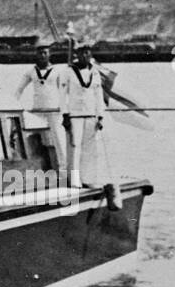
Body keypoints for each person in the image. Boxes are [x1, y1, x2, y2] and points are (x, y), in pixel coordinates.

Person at [14, 43, 67, 174]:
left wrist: (64, 108)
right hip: (38, 111)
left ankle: (64, 170)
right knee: (30, 137)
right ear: (36, 55)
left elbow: (63, 91)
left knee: (59, 140)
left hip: (54, 110)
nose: (43, 55)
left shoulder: (58, 71)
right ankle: (32, 168)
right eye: (40, 53)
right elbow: (19, 89)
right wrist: (13, 104)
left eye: (45, 53)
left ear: (49, 54)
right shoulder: (31, 72)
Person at [62, 44, 106, 188]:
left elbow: (98, 96)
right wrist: (65, 115)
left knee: (90, 148)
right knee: (75, 147)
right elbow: (63, 96)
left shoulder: (95, 73)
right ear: (77, 55)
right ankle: (75, 181)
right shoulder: (69, 72)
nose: (85, 56)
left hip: (91, 115)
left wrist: (100, 116)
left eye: (87, 53)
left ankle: (88, 178)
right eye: (82, 53)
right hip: (75, 115)